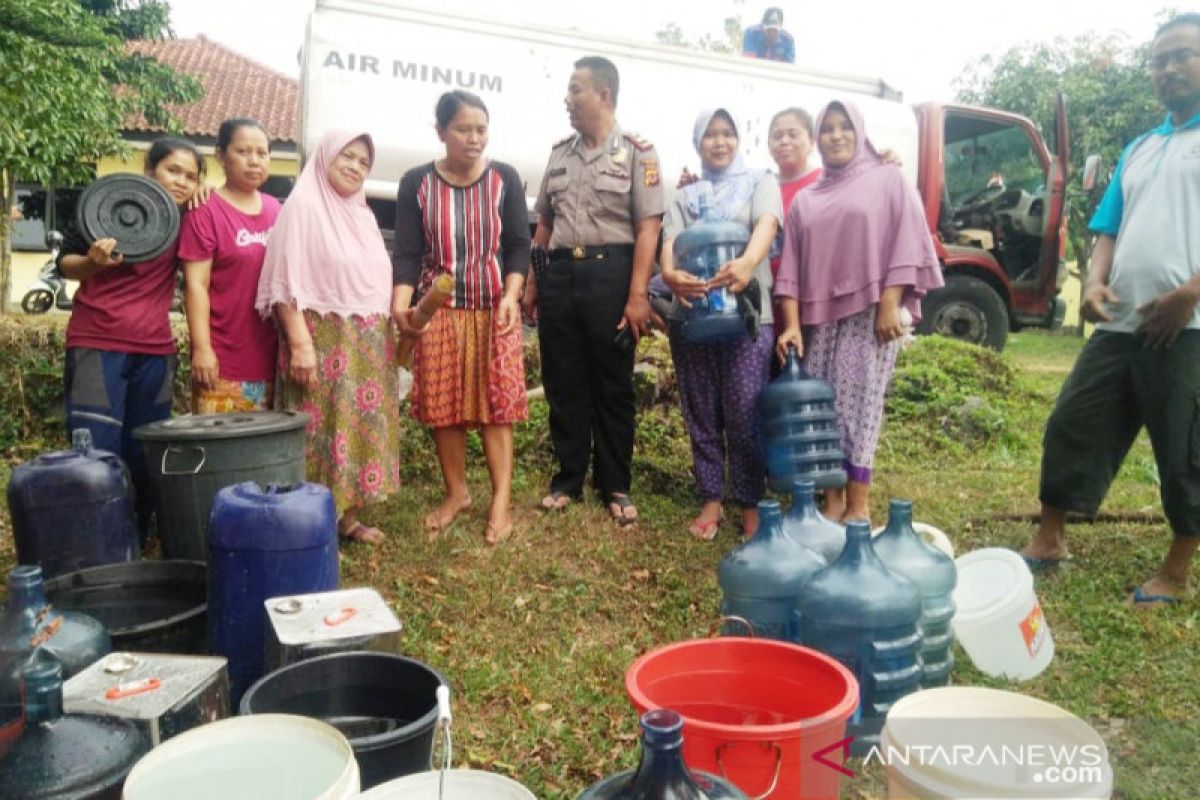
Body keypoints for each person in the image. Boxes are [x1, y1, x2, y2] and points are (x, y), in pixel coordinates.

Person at [1021, 14, 1200, 607]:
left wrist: (1189, 295)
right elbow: (1107, 229)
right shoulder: (1141, 148)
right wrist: (1094, 284)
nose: (1168, 68)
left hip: (1190, 327)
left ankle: (1175, 572)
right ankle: (1050, 540)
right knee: (1073, 423)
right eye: (1158, 60)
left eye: (1182, 55)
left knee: (1185, 448)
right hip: (1121, 321)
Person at [774, 99, 942, 522]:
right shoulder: (806, 201)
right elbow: (791, 269)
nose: (836, 135)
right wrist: (792, 325)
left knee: (860, 407)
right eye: (827, 128)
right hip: (818, 322)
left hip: (870, 316)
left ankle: (859, 505)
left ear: (860, 131)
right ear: (818, 138)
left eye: (844, 126)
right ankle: (830, 503)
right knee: (824, 410)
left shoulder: (888, 179)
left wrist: (890, 302)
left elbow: (908, 237)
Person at [521, 56, 664, 525]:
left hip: (612, 275)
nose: (567, 97)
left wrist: (638, 294)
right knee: (564, 380)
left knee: (612, 383)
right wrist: (533, 282)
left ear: (604, 96)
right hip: (560, 273)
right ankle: (567, 479)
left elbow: (648, 229)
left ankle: (615, 483)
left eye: (575, 88)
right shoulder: (559, 154)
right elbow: (544, 225)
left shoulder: (640, 153)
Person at [393, 91, 530, 545]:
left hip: (495, 309)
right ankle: (457, 494)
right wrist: (402, 304)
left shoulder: (504, 178)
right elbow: (409, 252)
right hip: (441, 310)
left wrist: (512, 295)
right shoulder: (417, 182)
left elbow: (517, 245)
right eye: (463, 129)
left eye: (481, 129)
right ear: (441, 133)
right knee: (444, 408)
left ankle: (500, 501)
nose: (474, 139)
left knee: (497, 409)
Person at [255, 129, 399, 546]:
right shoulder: (303, 207)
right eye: (346, 157)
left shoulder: (362, 214)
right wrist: (299, 343)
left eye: (363, 162)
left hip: (365, 343)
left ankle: (347, 518)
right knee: (320, 429)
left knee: (357, 427)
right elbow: (285, 281)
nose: (355, 167)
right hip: (321, 339)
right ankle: (310, 521)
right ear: (325, 158)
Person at [58, 137, 205, 540]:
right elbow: (66, 265)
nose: (181, 182)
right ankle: (94, 542)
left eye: (191, 177)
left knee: (146, 452)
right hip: (96, 344)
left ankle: (136, 538)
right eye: (173, 170)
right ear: (149, 169)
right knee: (94, 449)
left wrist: (207, 196)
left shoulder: (186, 222)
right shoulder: (109, 205)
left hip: (155, 352)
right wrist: (92, 262)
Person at [660, 108, 781, 539]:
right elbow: (669, 243)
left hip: (747, 314)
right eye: (710, 134)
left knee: (745, 409)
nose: (720, 142)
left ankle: (749, 502)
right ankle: (712, 496)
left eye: (728, 133)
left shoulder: (760, 182)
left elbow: (767, 224)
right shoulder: (684, 196)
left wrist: (747, 263)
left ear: (738, 139)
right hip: (692, 317)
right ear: (698, 141)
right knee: (702, 409)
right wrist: (671, 276)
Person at [179, 117, 281, 414]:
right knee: (220, 455)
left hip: (273, 360)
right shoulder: (205, 211)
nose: (254, 162)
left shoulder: (276, 209)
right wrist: (202, 349)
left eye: (262, 154)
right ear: (221, 156)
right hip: (222, 362)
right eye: (243, 152)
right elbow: (196, 285)